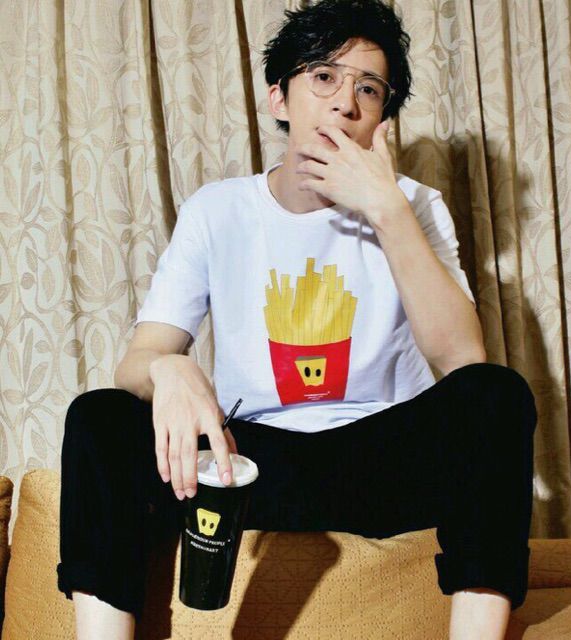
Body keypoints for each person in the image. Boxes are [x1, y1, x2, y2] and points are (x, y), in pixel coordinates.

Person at [56, 1, 537, 639]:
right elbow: (137, 361)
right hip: (250, 463)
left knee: (499, 395)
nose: (345, 103)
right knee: (98, 417)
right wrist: (170, 368)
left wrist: (386, 211)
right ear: (279, 97)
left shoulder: (415, 205)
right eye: (324, 76)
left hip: (376, 461)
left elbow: (463, 364)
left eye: (369, 88)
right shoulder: (218, 210)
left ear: (383, 118)